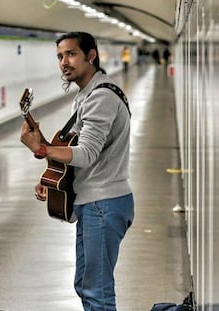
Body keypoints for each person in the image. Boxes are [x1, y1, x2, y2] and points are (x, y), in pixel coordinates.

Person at [20, 31, 134, 311]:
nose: (64, 62)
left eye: (71, 54)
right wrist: (51, 176)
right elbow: (73, 150)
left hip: (103, 203)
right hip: (93, 203)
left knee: (97, 290)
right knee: (85, 285)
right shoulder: (85, 97)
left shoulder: (101, 97)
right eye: (60, 56)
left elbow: (86, 154)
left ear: (91, 55)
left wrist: (41, 150)